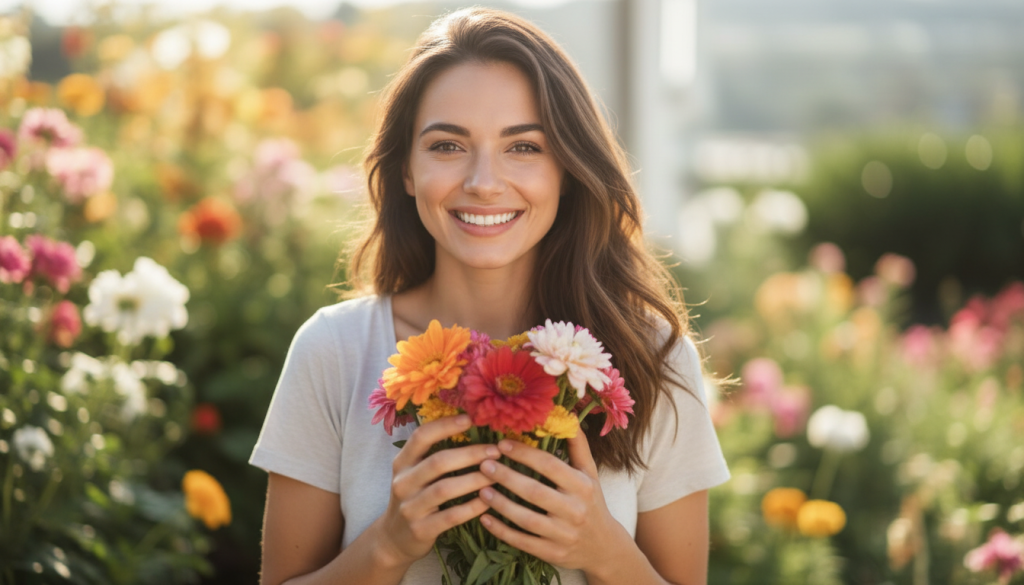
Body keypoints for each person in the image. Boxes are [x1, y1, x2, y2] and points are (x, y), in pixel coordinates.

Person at [249, 7, 729, 585]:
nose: (482, 181)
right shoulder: (334, 351)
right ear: (406, 169)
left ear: (568, 170)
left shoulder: (651, 356)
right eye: (447, 146)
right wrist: (388, 545)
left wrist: (604, 550)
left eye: (523, 147)